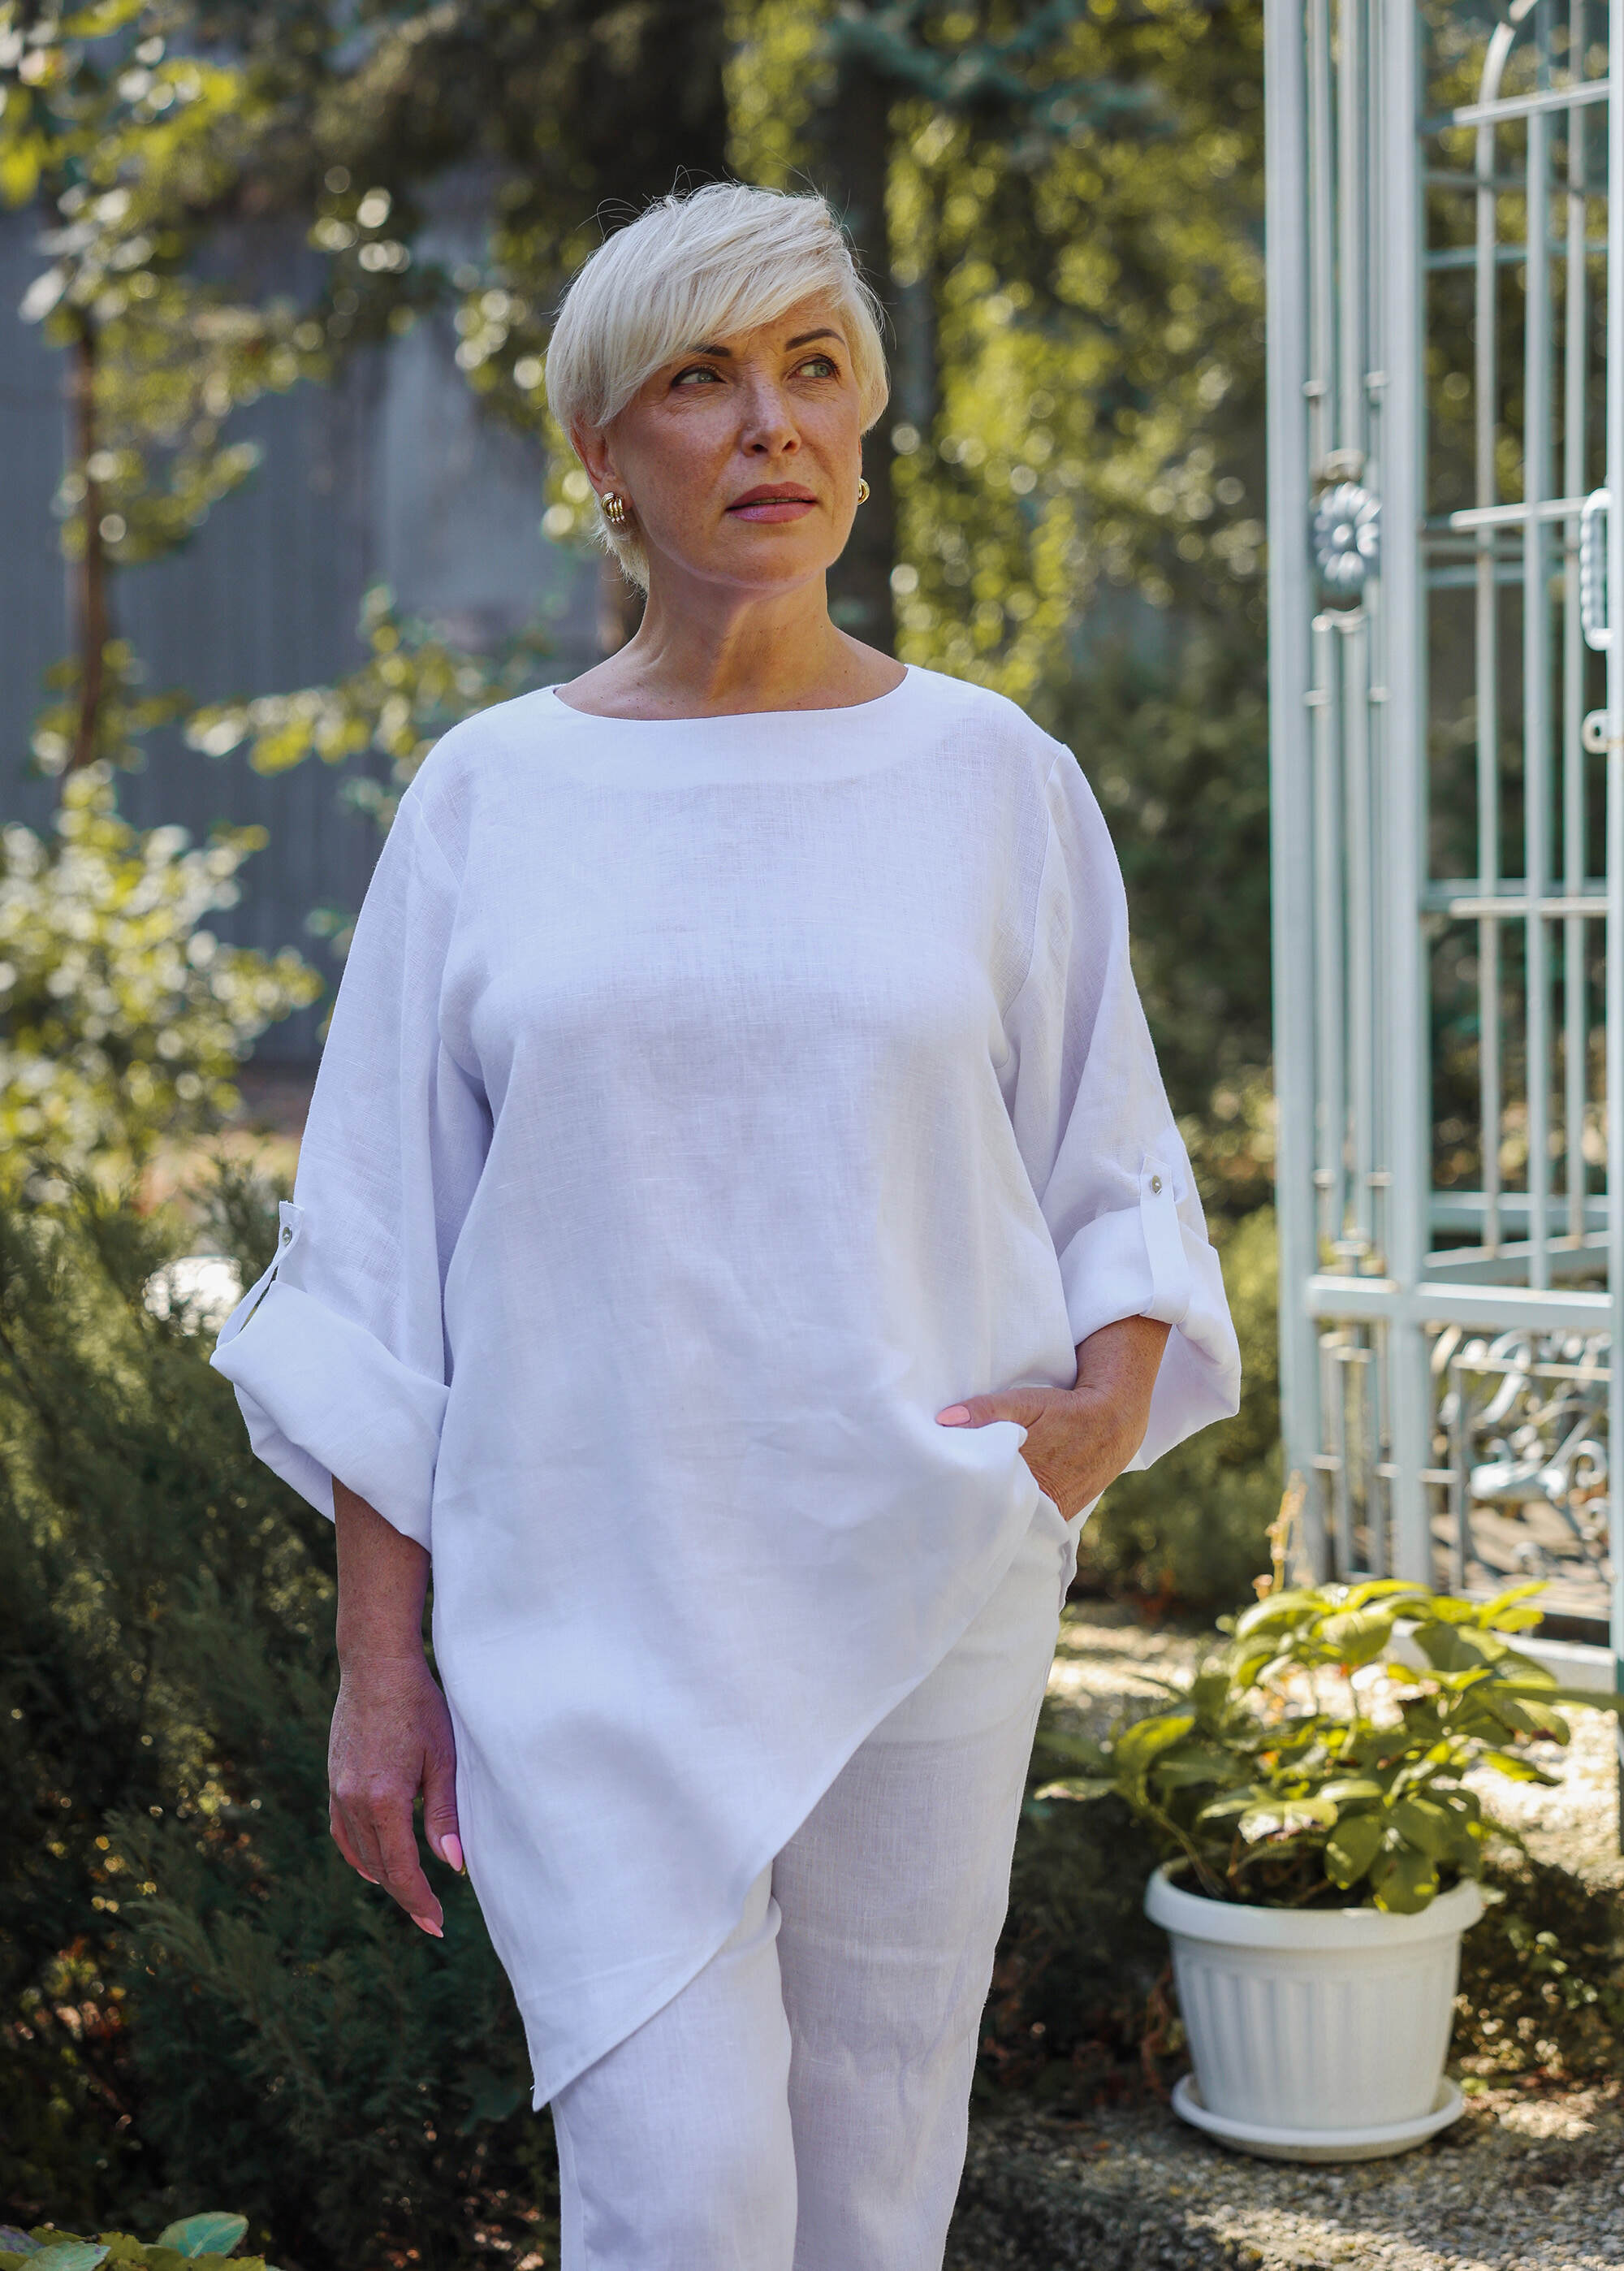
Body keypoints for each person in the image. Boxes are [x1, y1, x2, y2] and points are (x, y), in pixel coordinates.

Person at [212, 180, 1241, 2271]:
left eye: (813, 369)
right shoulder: (488, 800)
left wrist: (1086, 1429)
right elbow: (378, 1268)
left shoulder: (992, 777)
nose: (769, 424)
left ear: (864, 426)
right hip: (582, 1596)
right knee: (680, 2198)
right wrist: (378, 1671)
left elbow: (1110, 1164)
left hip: (922, 1567)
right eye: (700, 379)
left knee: (874, 2189)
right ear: (604, 451)